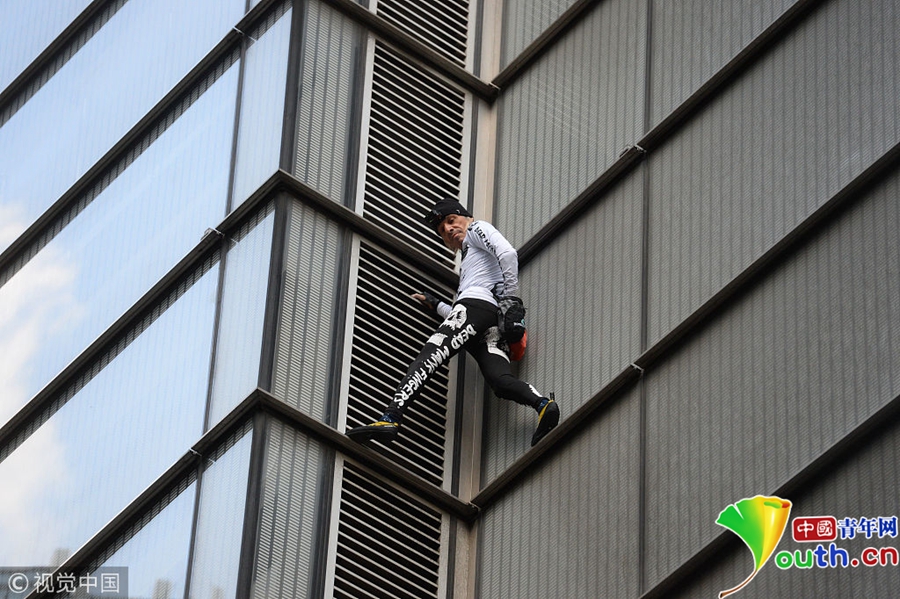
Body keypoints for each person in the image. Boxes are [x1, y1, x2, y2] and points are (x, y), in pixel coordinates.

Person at [347, 198, 559, 447]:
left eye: (451, 220)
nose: (448, 229)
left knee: (429, 356)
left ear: (466, 217)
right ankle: (543, 405)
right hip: (489, 321)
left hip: (479, 308)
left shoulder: (477, 228)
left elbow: (508, 254)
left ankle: (390, 417)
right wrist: (436, 304)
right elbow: (464, 316)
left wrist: (511, 299)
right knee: (500, 381)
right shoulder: (470, 258)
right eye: (442, 230)